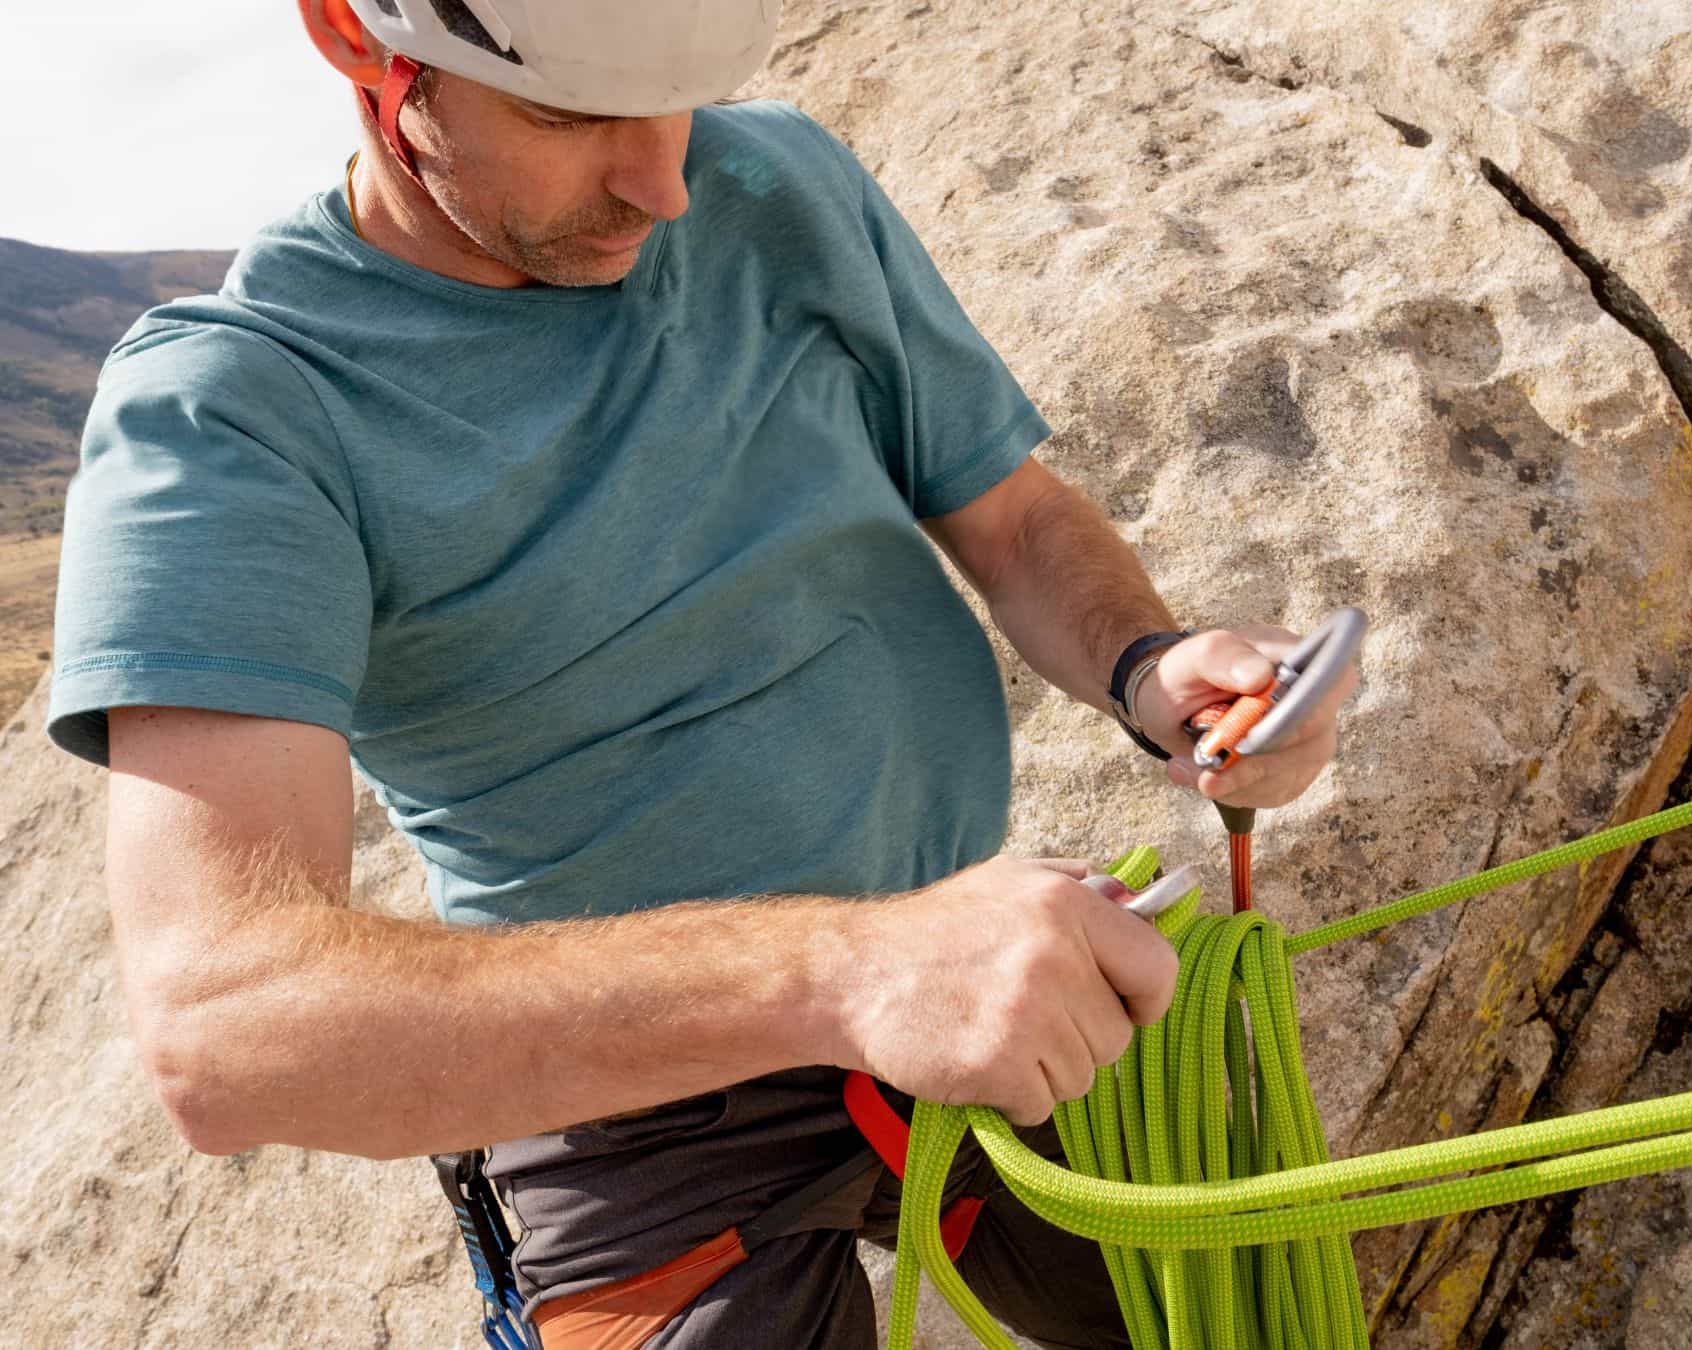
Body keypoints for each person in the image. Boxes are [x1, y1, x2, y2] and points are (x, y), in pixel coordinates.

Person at [45, 1, 1352, 1345]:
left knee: (1253, 1314)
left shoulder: (771, 182)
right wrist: (849, 968)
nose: (661, 183)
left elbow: (1014, 520)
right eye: (569, 114)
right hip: (637, 1109)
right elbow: (227, 1024)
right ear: (369, 55)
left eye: (678, 99)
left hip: (965, 970)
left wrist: (1151, 667)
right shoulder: (239, 411)